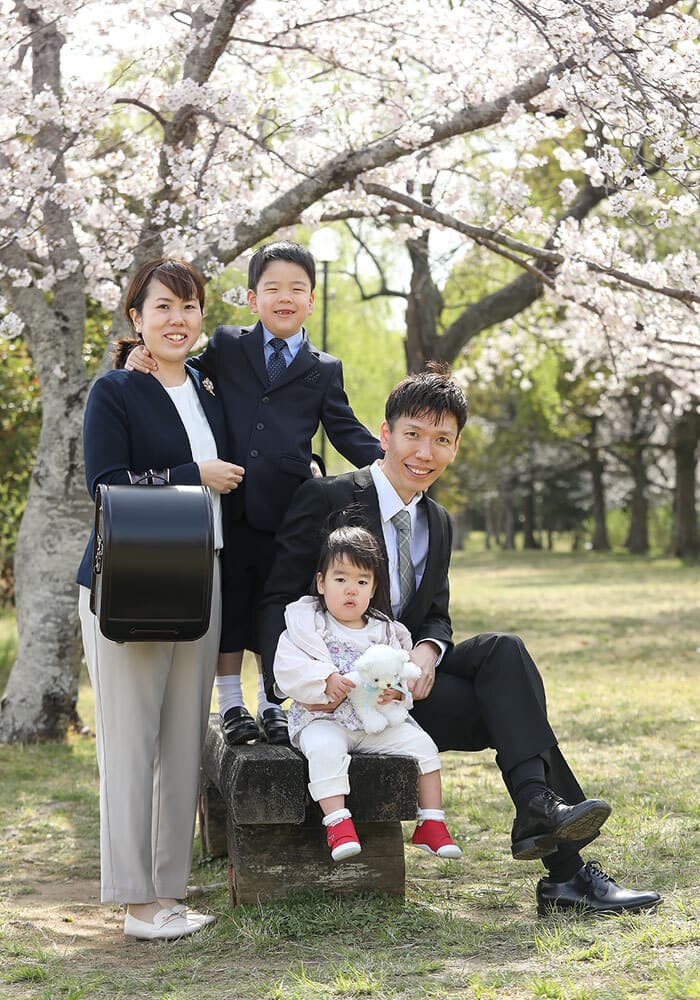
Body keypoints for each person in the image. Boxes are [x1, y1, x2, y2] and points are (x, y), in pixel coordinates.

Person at [259, 364, 662, 915]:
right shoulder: (327, 498)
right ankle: (565, 870)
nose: (425, 452)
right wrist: (292, 692)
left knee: (504, 652)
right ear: (386, 434)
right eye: (414, 435)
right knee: (516, 715)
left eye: (442, 440)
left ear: (454, 449)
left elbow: (436, 617)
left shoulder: (438, 522)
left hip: (403, 698)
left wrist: (427, 651)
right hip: (333, 702)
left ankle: (542, 819)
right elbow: (276, 601)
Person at [124, 241, 382, 748]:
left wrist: (389, 466)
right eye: (272, 289)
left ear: (311, 299)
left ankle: (271, 701)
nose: (283, 298)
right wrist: (142, 353)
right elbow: (185, 370)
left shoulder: (323, 368)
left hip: (289, 510)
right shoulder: (226, 344)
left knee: (278, 605)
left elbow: (344, 429)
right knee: (231, 605)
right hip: (229, 501)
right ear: (251, 297)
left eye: (296, 289)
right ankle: (232, 702)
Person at [77, 258, 242, 940]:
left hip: (203, 577)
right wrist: (190, 475)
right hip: (133, 579)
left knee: (181, 741)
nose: (179, 318)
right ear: (136, 317)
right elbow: (105, 483)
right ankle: (134, 901)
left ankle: (167, 893)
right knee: (131, 743)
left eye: (190, 306)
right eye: (164, 306)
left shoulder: (208, 385)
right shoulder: (115, 390)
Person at [274, 523, 462, 862]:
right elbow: (287, 667)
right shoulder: (307, 624)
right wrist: (324, 679)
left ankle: (432, 824)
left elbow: (400, 671)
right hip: (324, 719)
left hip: (374, 725)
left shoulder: (385, 630)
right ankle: (337, 823)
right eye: (340, 579)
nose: (351, 590)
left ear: (374, 588)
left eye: (362, 582)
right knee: (324, 749)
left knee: (422, 746)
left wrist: (397, 693)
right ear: (321, 582)